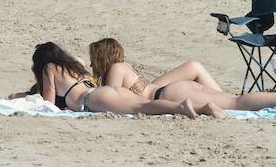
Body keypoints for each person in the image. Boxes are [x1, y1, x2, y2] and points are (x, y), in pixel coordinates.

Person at [88, 38, 276, 112]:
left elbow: (114, 98)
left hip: (168, 95)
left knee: (235, 103)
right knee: (232, 99)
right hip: (171, 90)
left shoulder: (116, 69)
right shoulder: (126, 67)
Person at [27, 43, 202, 117]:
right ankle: (203, 108)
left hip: (92, 99)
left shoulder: (49, 67)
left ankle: (181, 107)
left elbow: (48, 104)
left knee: (142, 108)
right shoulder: (75, 67)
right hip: (107, 91)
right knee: (144, 104)